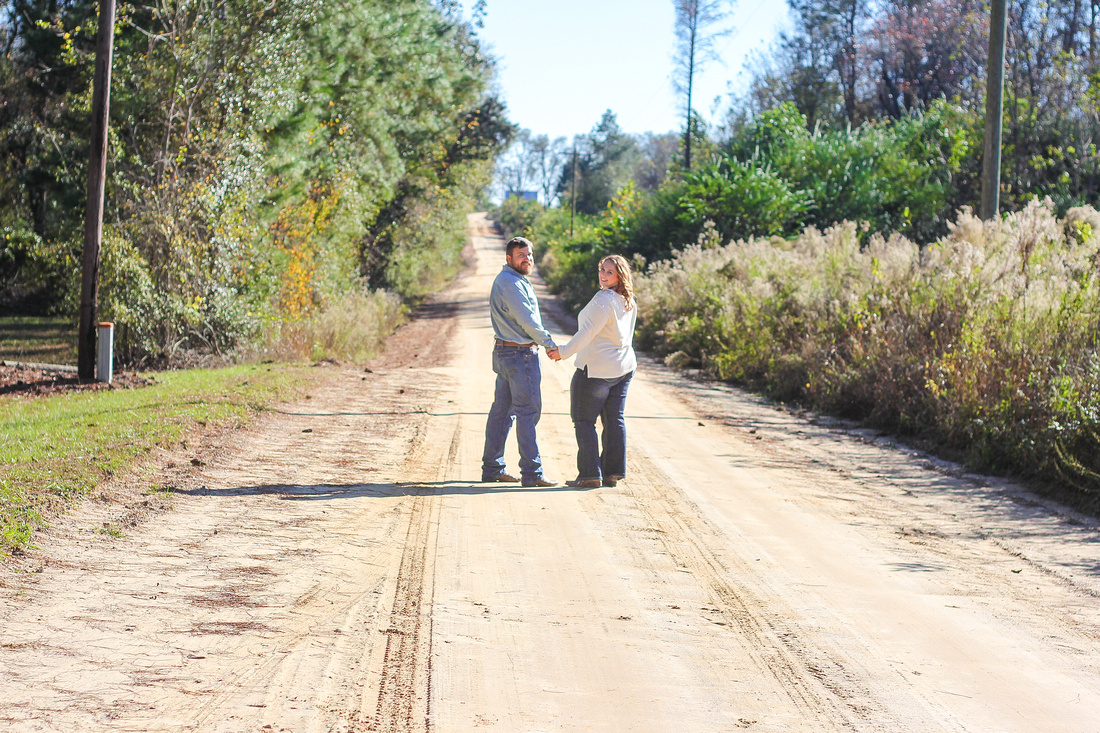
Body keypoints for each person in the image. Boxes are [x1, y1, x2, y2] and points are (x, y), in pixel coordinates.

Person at [553, 255, 637, 489]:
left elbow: (587, 332)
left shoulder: (604, 299)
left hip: (597, 369)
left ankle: (590, 474)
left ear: (620, 275)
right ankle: (612, 473)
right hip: (623, 367)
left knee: (583, 420)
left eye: (609, 272)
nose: (603, 274)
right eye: (601, 269)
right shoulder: (628, 299)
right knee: (614, 419)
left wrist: (563, 352)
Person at [481, 236, 559, 488]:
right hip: (519, 355)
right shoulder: (510, 283)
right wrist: (550, 344)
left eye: (529, 255)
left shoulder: (514, 280)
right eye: (521, 255)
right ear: (509, 258)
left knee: (502, 412)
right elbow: (527, 320)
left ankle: (493, 468)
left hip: (508, 354)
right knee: (528, 412)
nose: (527, 259)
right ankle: (532, 473)